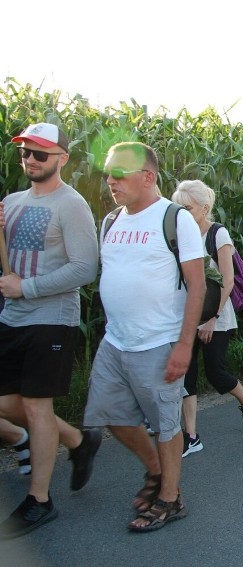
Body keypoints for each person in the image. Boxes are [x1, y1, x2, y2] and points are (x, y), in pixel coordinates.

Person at [83, 141, 206, 532]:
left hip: (159, 341)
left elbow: (197, 285)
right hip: (115, 340)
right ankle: (155, 471)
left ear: (148, 176)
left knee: (166, 424)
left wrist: (184, 345)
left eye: (119, 174)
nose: (110, 182)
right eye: (108, 174)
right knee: (110, 417)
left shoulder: (174, 218)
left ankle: (171, 498)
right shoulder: (111, 221)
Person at [0, 123, 101, 539]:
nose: (30, 160)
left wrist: (27, 288)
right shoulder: (12, 201)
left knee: (37, 407)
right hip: (12, 318)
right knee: (7, 404)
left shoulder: (71, 205)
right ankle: (78, 441)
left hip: (51, 318)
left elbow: (85, 267)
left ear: (62, 158)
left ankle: (39, 500)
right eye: (25, 152)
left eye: (40, 153)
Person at [171, 180, 243, 457]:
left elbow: (227, 282)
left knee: (216, 373)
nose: (182, 213)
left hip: (215, 315)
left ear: (205, 208)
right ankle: (191, 435)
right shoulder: (176, 234)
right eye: (178, 208)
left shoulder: (217, 235)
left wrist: (211, 318)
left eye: (187, 208)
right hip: (186, 314)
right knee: (186, 374)